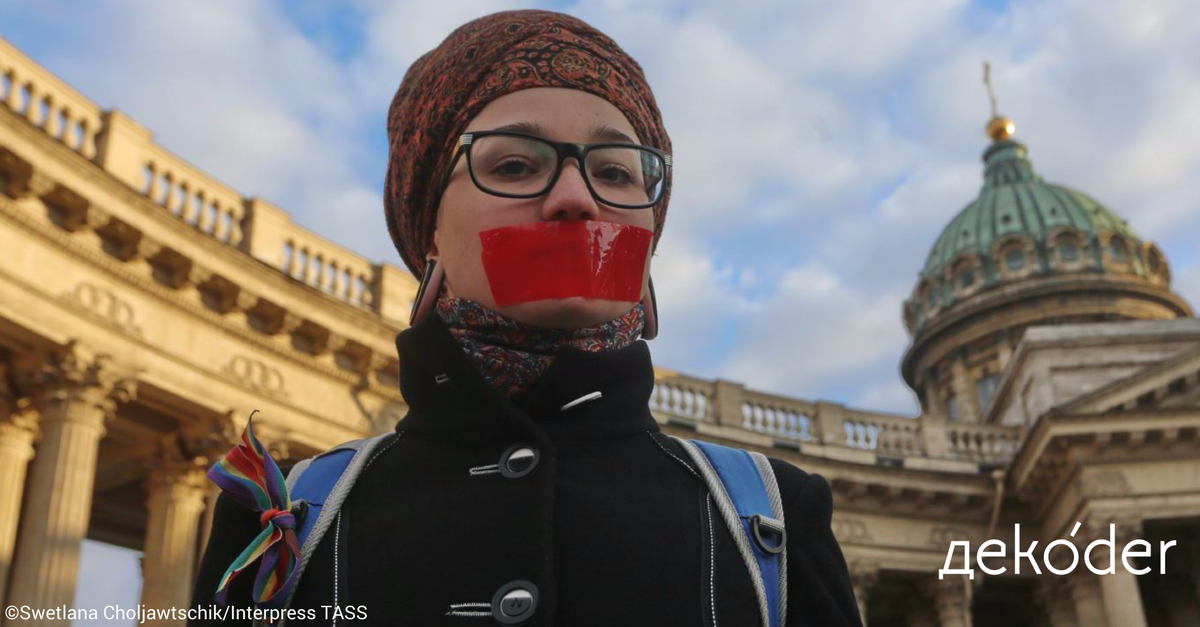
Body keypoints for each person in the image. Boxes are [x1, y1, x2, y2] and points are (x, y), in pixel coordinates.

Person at [190, 9, 863, 626]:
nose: (576, 198)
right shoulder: (279, 519)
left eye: (618, 171)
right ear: (429, 233)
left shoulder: (780, 513)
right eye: (513, 164)